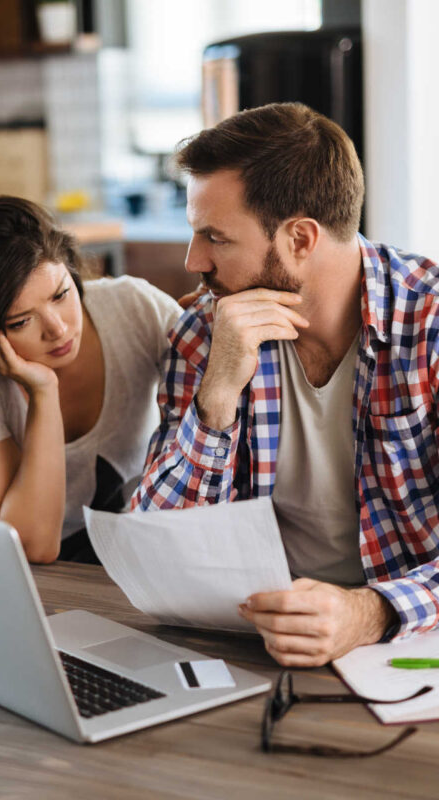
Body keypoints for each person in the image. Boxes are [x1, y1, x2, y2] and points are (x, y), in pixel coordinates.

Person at [132, 102, 439, 667]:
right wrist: (217, 395)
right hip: (254, 640)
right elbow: (154, 549)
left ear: (300, 238)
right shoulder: (205, 333)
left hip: (409, 645)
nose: (192, 259)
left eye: (215, 238)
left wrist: (368, 613)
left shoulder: (429, 325)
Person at [0, 194, 182, 563]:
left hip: (133, 556)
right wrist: (43, 390)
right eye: (21, 321)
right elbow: (33, 546)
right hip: (22, 573)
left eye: (61, 294)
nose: (58, 329)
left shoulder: (135, 308)